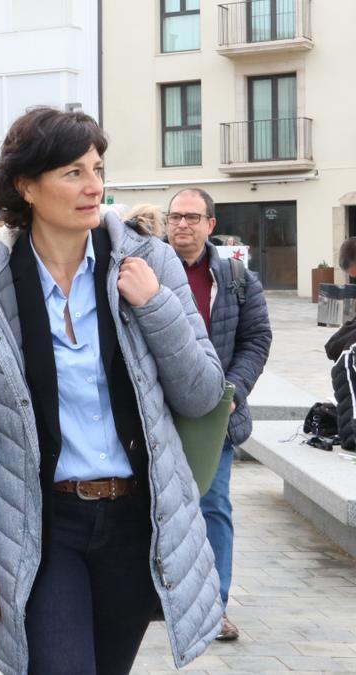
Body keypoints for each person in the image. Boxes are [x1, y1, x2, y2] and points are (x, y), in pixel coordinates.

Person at [0, 107, 226, 674]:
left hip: (137, 521)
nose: (94, 185)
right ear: (26, 186)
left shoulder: (150, 263)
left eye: (97, 168)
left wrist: (156, 306)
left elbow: (202, 394)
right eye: (73, 172)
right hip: (43, 525)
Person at [167, 187, 272, 641]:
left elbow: (257, 339)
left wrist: (234, 391)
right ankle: (159, 600)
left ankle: (214, 606)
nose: (182, 225)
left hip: (216, 415)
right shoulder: (143, 271)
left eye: (192, 217)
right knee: (155, 510)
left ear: (211, 225)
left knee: (212, 507)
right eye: (175, 217)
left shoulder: (236, 279)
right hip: (156, 413)